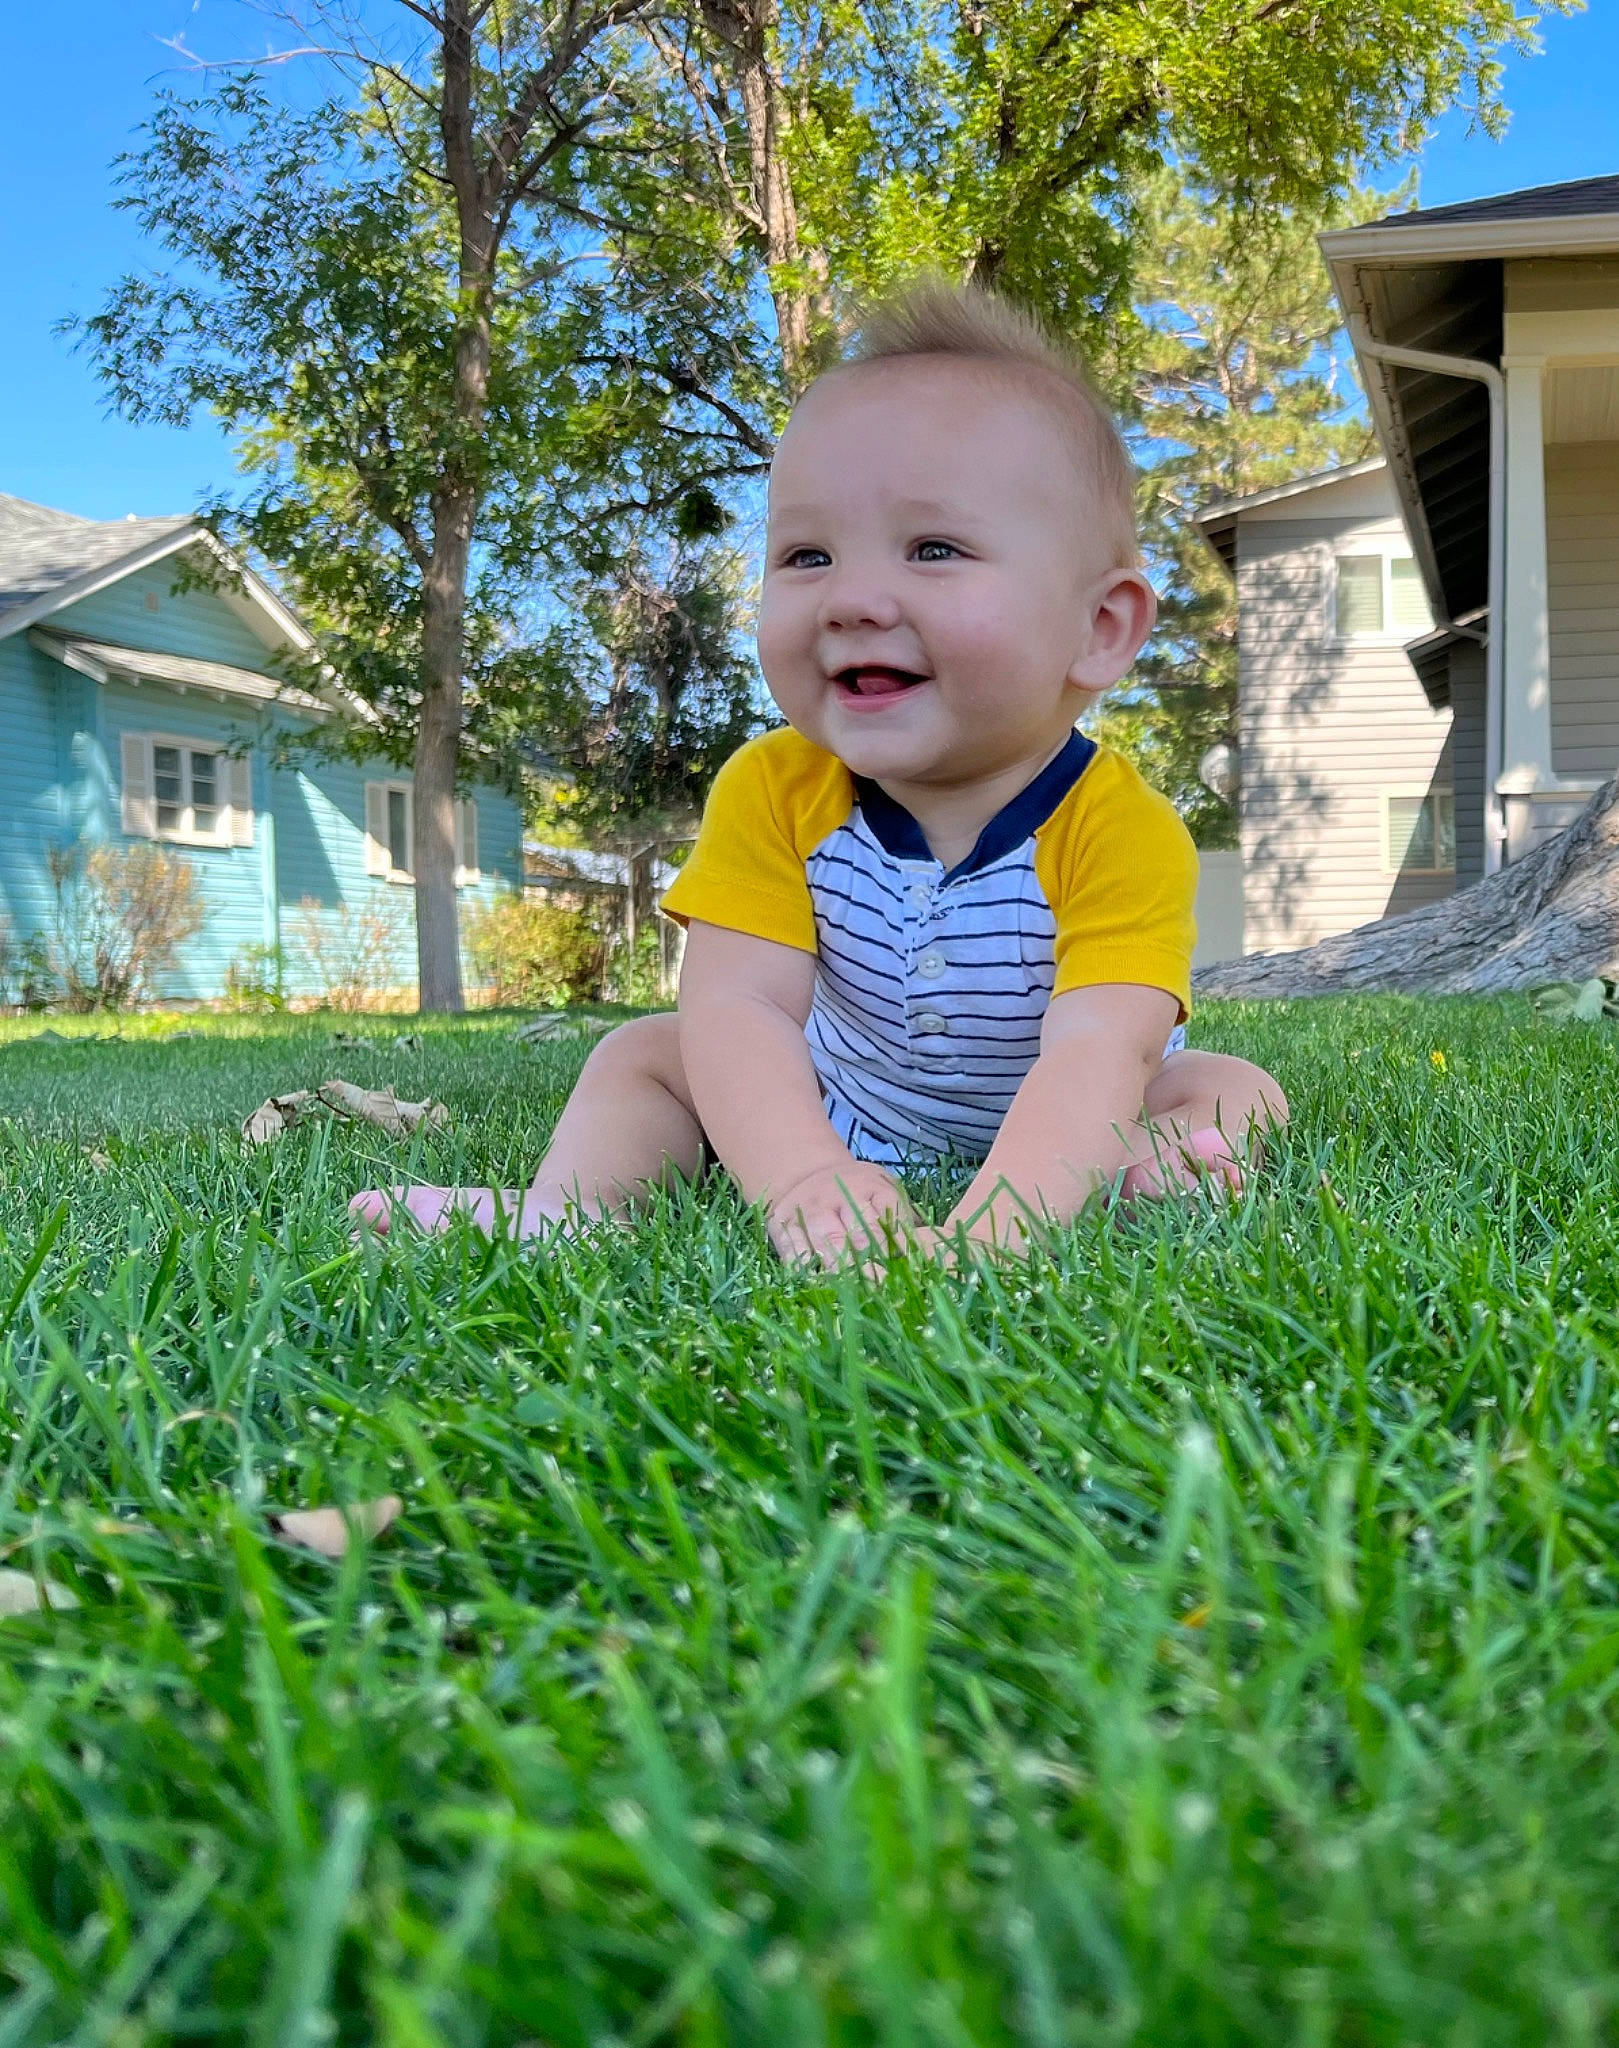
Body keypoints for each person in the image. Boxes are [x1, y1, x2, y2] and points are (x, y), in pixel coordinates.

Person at [350, 280, 1288, 1265]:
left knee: (1228, 1089)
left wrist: (995, 1232)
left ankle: (1141, 1166)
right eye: (805, 553)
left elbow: (1099, 1047)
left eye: (932, 547)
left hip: (1075, 1108)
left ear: (1097, 629)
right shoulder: (772, 789)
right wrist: (802, 1175)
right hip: (842, 1103)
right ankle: (573, 1209)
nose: (849, 597)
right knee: (645, 1052)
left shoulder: (1121, 828)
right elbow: (738, 1007)